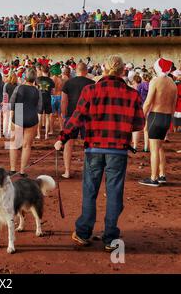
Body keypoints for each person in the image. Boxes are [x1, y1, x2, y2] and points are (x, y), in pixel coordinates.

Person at [54, 55, 145, 252]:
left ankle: (83, 232)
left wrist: (62, 138)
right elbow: (139, 124)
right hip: (118, 150)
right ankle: (110, 237)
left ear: (104, 69)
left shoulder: (90, 90)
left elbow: (75, 119)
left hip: (94, 147)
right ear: (122, 72)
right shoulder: (131, 94)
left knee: (90, 191)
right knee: (114, 192)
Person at [139, 58, 178, 187]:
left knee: (154, 149)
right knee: (160, 147)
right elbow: (173, 105)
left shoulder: (155, 81)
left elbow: (148, 102)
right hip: (167, 117)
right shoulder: (173, 83)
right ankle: (162, 175)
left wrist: (141, 116)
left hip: (156, 116)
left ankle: (153, 178)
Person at [60, 63, 95, 179]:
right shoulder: (91, 83)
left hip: (71, 115)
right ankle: (89, 171)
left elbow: (63, 101)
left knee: (68, 144)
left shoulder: (68, 83)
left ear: (76, 70)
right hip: (87, 117)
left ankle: (67, 171)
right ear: (86, 71)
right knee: (89, 145)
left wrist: (63, 116)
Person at [9, 68, 42, 177]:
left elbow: (12, 104)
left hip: (18, 114)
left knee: (14, 144)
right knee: (27, 146)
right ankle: (22, 171)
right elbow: (40, 107)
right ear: (34, 78)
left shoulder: (19, 88)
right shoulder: (37, 90)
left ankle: (13, 169)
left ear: (25, 77)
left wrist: (10, 118)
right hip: (32, 116)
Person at [36, 64, 55, 139]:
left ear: (41, 70)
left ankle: (39, 134)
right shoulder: (51, 80)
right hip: (48, 99)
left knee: (39, 117)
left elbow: (35, 89)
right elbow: (53, 92)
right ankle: (46, 135)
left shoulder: (38, 79)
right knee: (47, 117)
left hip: (40, 99)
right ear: (48, 71)